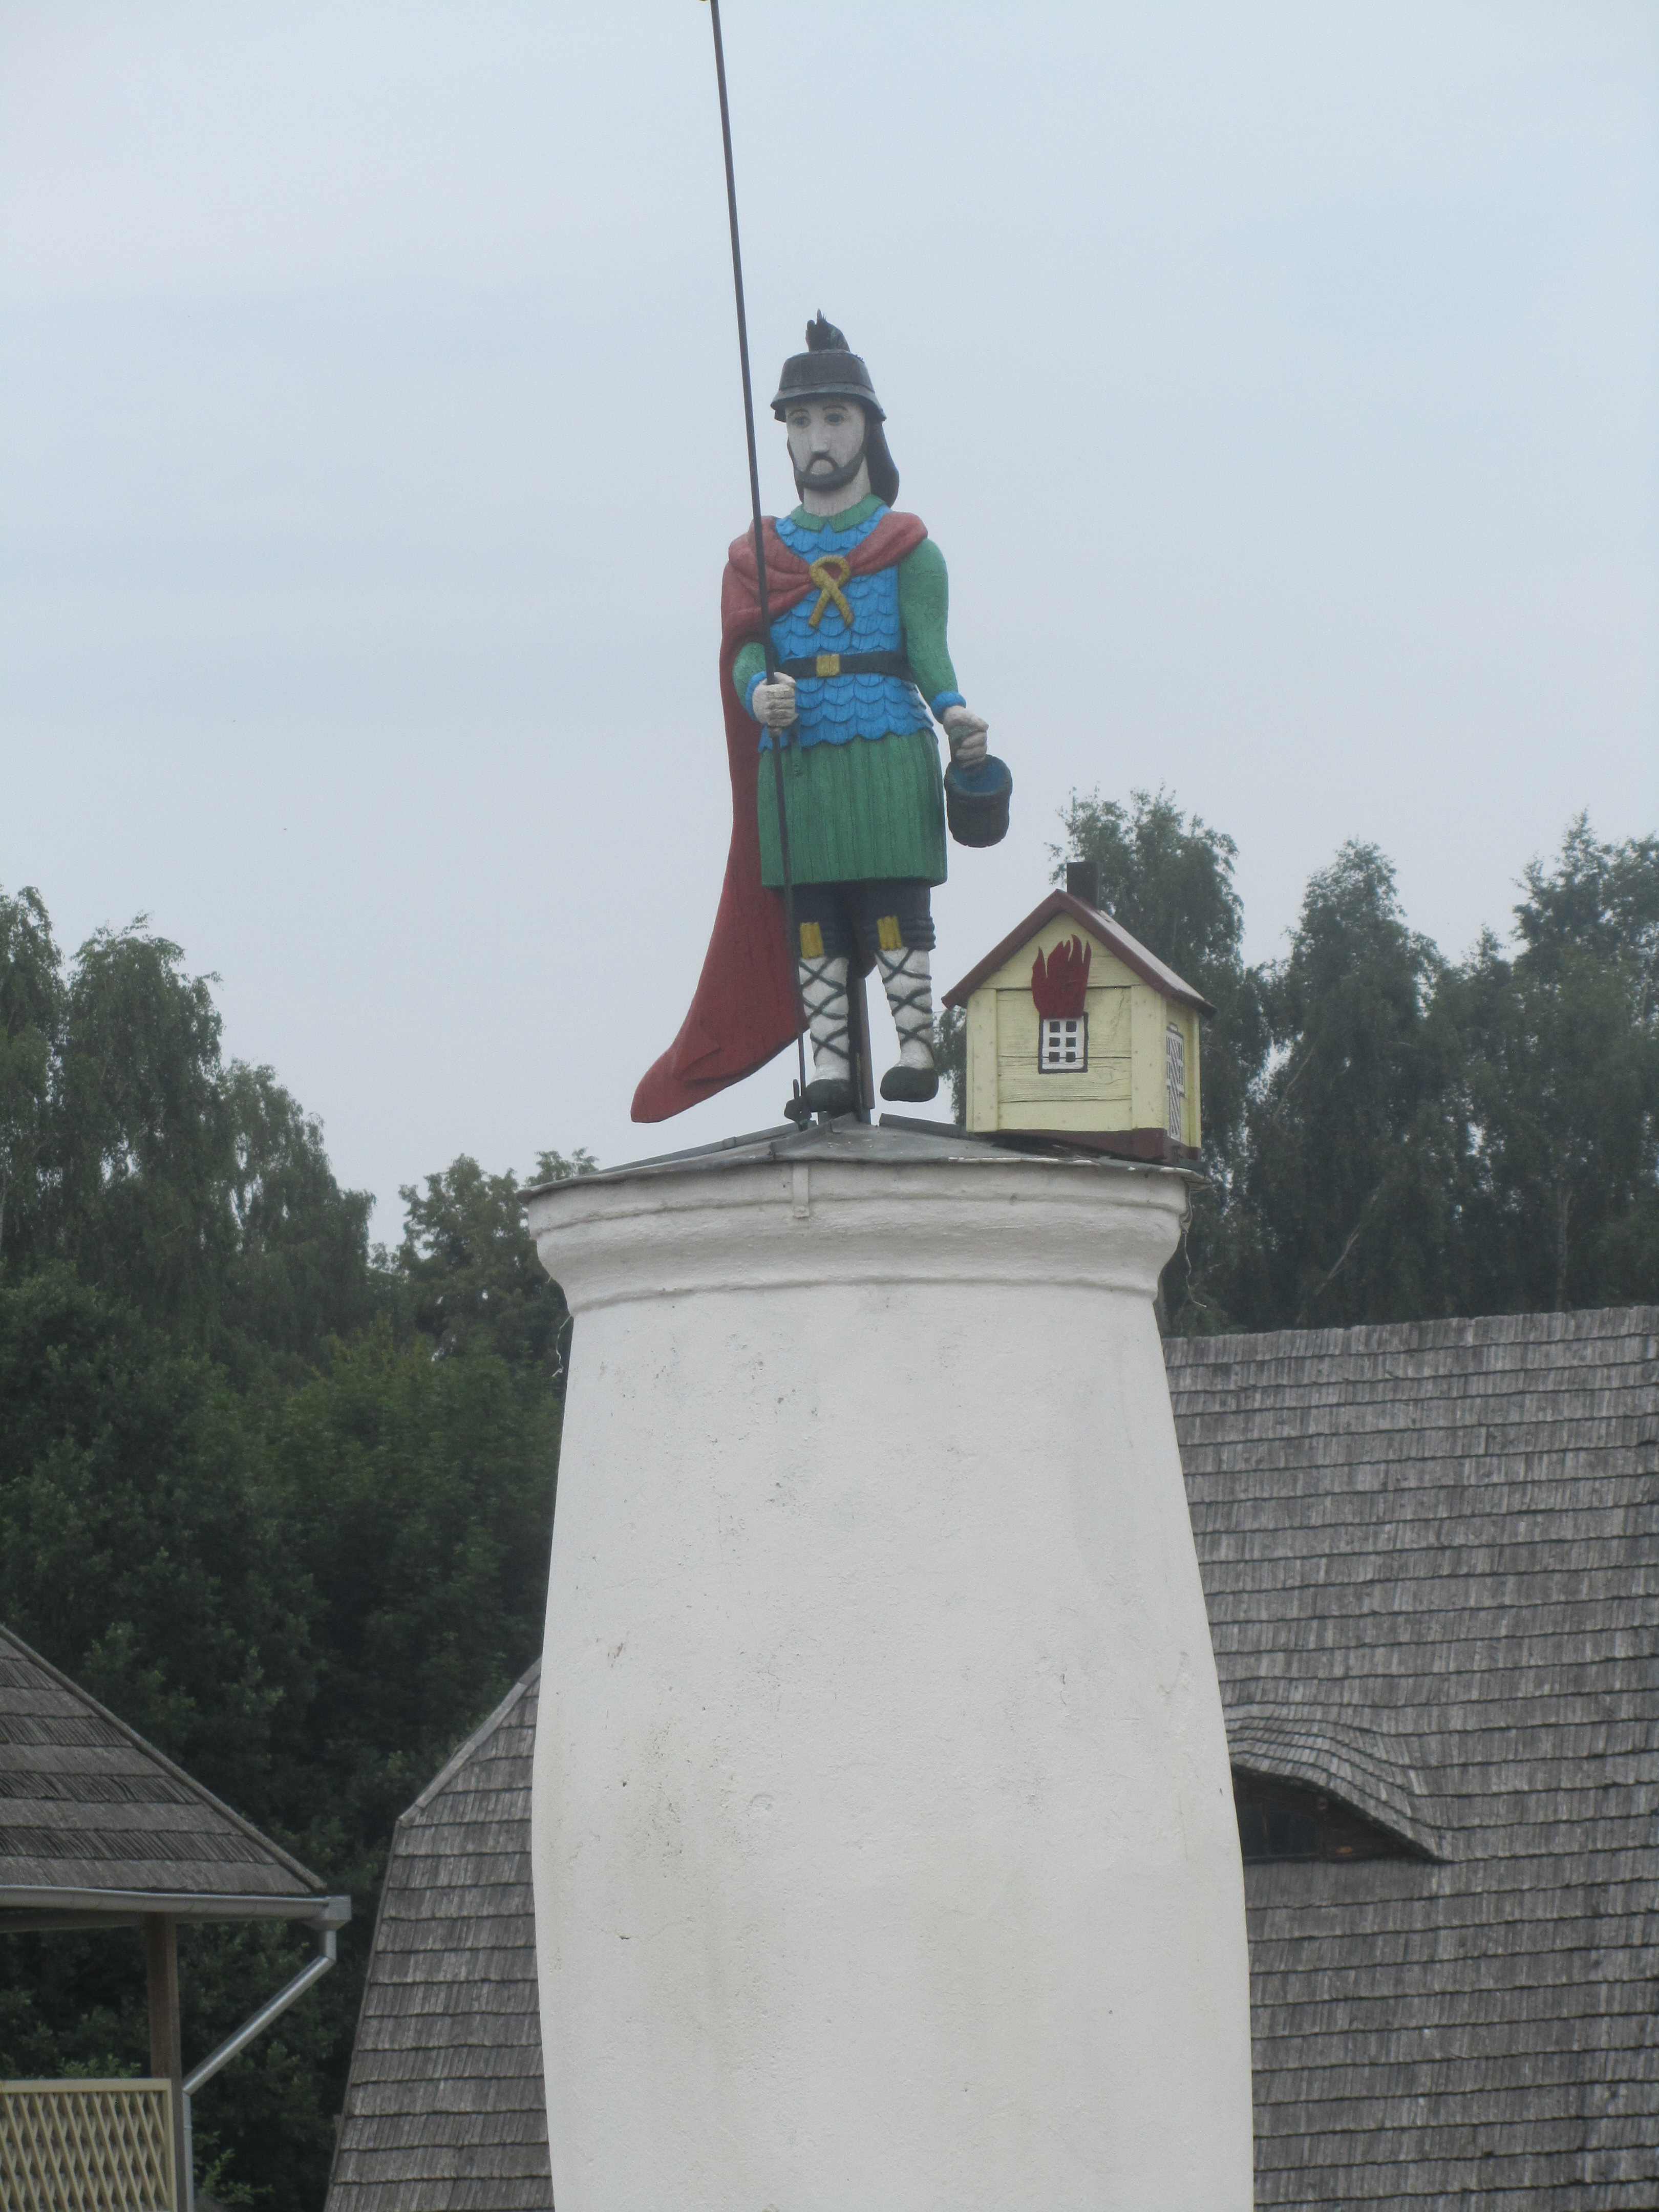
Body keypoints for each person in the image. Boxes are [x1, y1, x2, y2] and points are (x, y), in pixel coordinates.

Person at [631, 315, 994, 1124]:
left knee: (895, 905)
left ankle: (916, 1046)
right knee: (813, 918)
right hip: (798, 756)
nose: (817, 438)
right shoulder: (758, 559)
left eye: (834, 417)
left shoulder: (909, 550)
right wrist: (756, 690)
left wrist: (955, 714)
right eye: (800, 421)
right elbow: (745, 651)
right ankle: (828, 1058)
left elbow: (929, 652)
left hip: (887, 742)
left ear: (867, 428)